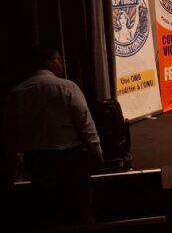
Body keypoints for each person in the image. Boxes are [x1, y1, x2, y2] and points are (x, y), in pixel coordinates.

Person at [2, 48, 104, 228]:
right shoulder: (67, 87)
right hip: (69, 159)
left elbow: (10, 132)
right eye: (59, 60)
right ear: (50, 62)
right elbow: (86, 125)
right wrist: (97, 153)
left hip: (37, 162)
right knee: (78, 211)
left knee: (48, 212)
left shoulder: (16, 93)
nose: (62, 64)